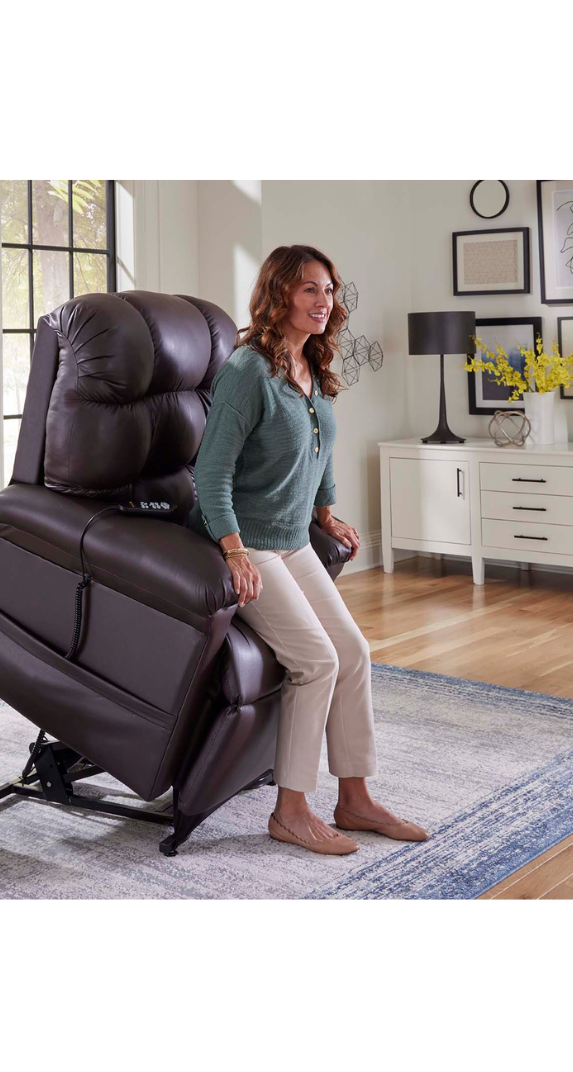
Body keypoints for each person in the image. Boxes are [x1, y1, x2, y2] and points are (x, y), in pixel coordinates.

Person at [187, 244, 429, 856]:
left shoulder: (313, 365)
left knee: (353, 650)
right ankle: (291, 810)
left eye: (328, 291)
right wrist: (235, 553)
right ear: (279, 297)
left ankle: (355, 798)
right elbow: (211, 470)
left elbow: (319, 449)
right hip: (245, 538)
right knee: (316, 659)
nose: (324, 303)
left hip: (292, 537)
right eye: (309, 291)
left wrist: (326, 510)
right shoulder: (248, 370)